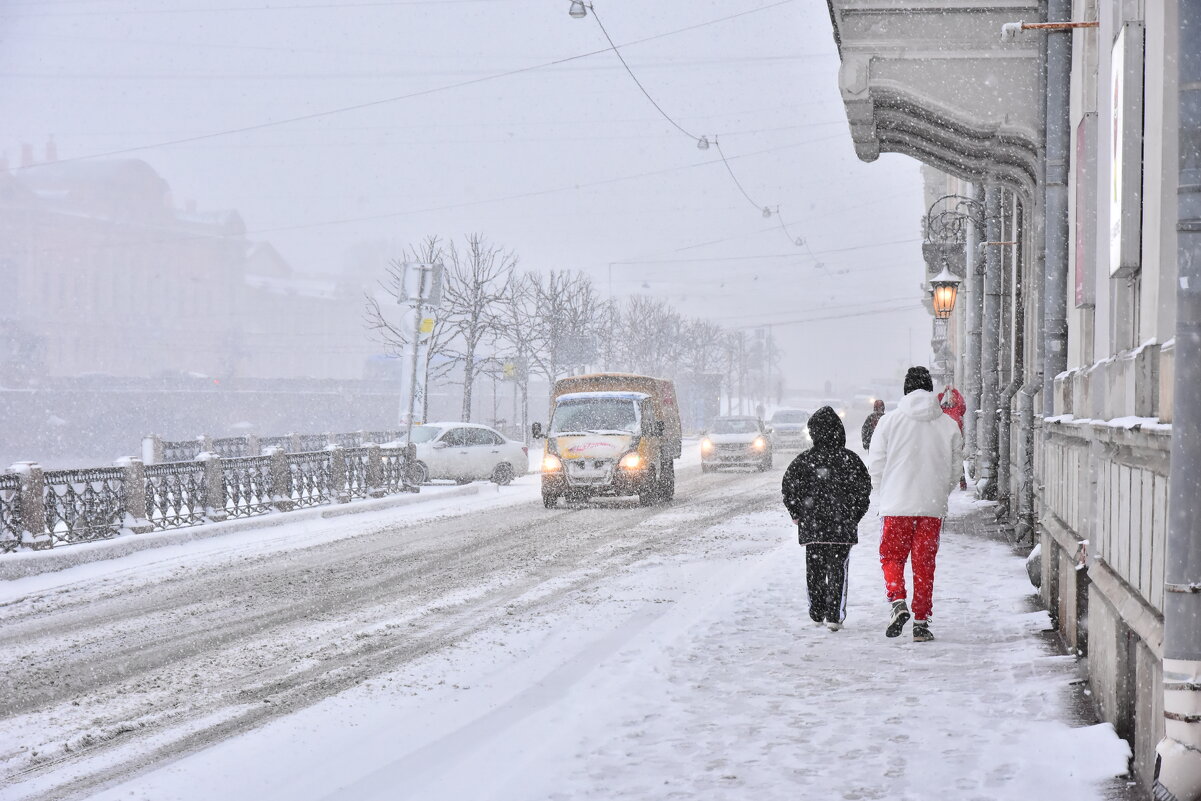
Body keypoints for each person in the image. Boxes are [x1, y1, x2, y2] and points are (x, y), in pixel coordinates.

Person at [867, 366, 963, 643]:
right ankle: (921, 623)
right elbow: (955, 470)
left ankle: (897, 600)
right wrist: (939, 492)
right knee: (924, 564)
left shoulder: (888, 422)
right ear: (930, 390)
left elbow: (876, 465)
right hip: (930, 507)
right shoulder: (948, 425)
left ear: (905, 390)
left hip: (896, 505)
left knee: (892, 557)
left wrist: (885, 493)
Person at [781, 406, 872, 632]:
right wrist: (853, 515)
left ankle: (817, 612)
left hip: (812, 528)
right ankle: (835, 615)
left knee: (814, 569)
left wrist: (797, 514)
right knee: (838, 569)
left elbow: (788, 487)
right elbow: (863, 490)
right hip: (841, 528)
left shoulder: (803, 461)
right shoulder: (850, 460)